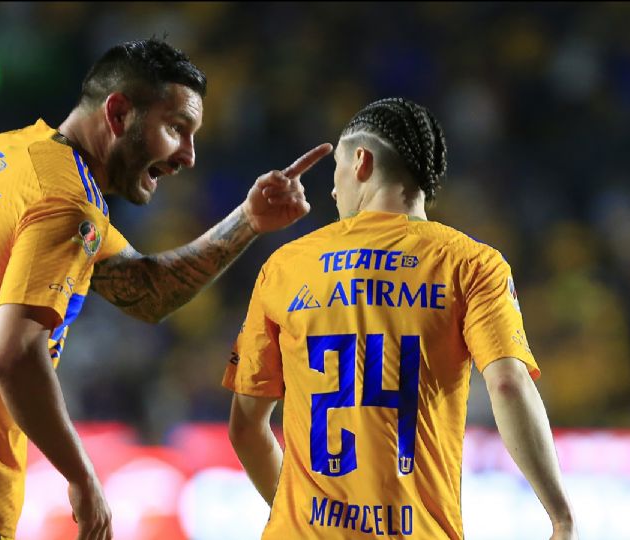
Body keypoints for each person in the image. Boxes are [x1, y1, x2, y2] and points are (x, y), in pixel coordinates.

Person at [0, 38, 332, 540]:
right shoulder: (66, 202)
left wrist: (248, 220)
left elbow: (146, 290)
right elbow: (15, 354)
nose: (189, 156)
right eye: (176, 129)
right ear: (118, 113)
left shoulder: (9, 154)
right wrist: (81, 476)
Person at [223, 97, 577, 539]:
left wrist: (299, 515)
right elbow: (508, 383)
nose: (332, 192)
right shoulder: (471, 263)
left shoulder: (286, 266)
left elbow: (246, 427)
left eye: (335, 174)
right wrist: (560, 516)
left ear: (361, 162)